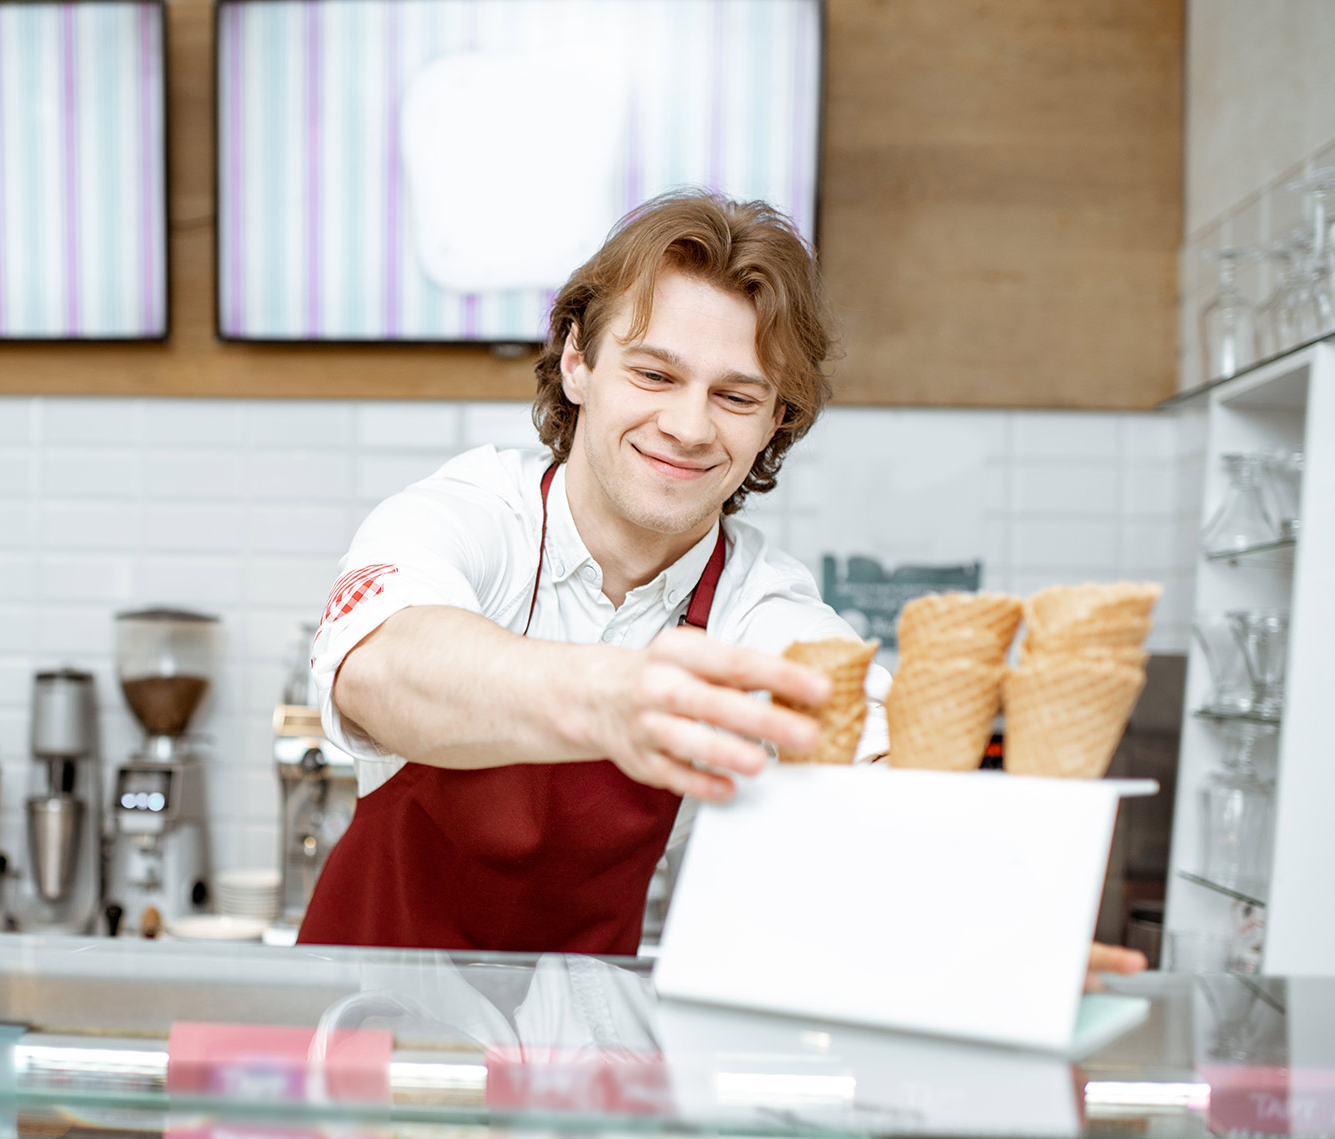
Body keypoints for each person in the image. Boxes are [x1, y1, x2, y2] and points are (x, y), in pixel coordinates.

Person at [296, 189, 1147, 984]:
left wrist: (994, 926)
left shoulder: (757, 604)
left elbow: (875, 759)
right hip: (360, 1041)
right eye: (655, 375)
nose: (690, 427)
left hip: (567, 1065)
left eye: (736, 395)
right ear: (576, 363)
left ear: (779, 419)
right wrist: (617, 699)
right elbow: (378, 667)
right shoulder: (472, 516)